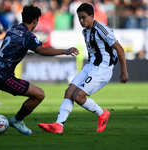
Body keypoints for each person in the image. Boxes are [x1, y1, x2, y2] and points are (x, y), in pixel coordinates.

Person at [0, 4, 79, 136]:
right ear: (35, 21)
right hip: (4, 76)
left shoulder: (14, 28)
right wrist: (66, 51)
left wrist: (35, 41)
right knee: (39, 95)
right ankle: (17, 120)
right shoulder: (29, 36)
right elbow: (42, 50)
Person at [38, 3, 129, 133]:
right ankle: (58, 125)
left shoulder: (102, 29)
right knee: (69, 91)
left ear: (92, 16)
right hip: (91, 66)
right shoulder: (85, 31)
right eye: (79, 18)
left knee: (78, 97)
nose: (81, 21)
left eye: (84, 17)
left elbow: (119, 49)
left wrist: (124, 71)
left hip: (102, 69)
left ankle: (102, 113)